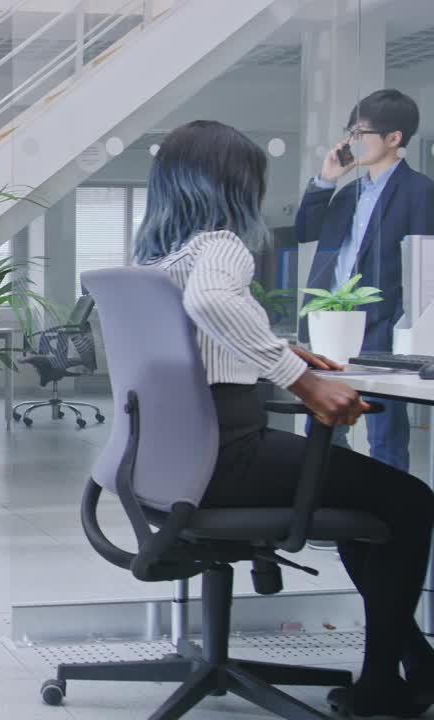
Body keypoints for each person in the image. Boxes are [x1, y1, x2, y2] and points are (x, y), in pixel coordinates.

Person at [136, 120, 434, 717]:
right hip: (229, 455)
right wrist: (300, 378)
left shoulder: (160, 258)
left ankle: (418, 665)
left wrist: (274, 347)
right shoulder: (221, 243)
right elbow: (213, 302)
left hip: (174, 465)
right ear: (231, 185)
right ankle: (384, 686)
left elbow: (200, 331)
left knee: (367, 509)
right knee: (411, 502)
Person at [297, 89, 434, 472]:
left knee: (385, 434)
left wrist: (407, 329)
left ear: (394, 139)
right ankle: (327, 512)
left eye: (361, 133)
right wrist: (325, 180)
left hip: (381, 329)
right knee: (322, 429)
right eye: (350, 132)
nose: (351, 141)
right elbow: (305, 230)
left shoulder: (420, 191)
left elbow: (425, 268)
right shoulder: (346, 194)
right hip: (332, 328)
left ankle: (393, 522)